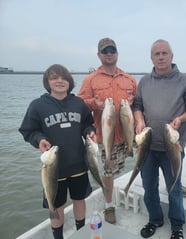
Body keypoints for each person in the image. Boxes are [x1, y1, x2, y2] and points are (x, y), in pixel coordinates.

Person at [133, 39, 186, 239]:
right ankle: (155, 219)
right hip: (147, 147)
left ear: (172, 56)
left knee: (174, 188)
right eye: (156, 54)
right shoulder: (144, 81)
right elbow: (137, 105)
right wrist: (138, 120)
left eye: (164, 53)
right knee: (149, 186)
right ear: (151, 58)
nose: (161, 57)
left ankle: (177, 225)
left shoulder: (185, 81)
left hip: (173, 147)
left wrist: (181, 118)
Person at [19, 64, 96, 239]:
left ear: (70, 82)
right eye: (54, 78)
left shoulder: (78, 103)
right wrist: (39, 140)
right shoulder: (37, 105)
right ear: (47, 82)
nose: (59, 81)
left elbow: (87, 123)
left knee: (79, 199)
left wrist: (89, 132)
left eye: (63, 78)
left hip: (78, 164)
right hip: (53, 168)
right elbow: (28, 131)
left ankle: (81, 232)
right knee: (56, 205)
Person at [77, 37, 137, 224]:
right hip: (103, 136)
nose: (109, 54)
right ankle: (109, 205)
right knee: (108, 173)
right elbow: (79, 104)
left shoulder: (129, 79)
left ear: (117, 54)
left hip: (125, 135)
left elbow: (138, 105)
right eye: (105, 51)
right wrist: (93, 104)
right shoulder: (90, 79)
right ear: (99, 55)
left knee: (119, 168)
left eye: (112, 50)